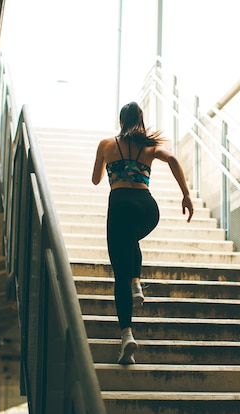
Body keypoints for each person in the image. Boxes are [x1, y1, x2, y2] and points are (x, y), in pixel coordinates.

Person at [91, 102, 194, 364]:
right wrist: (186, 195)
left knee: (119, 274)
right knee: (131, 239)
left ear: (120, 120)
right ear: (141, 120)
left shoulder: (106, 145)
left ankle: (127, 334)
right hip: (147, 208)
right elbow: (172, 158)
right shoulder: (149, 147)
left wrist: (112, 165)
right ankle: (137, 282)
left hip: (120, 204)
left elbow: (95, 179)